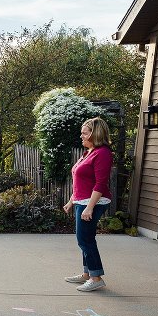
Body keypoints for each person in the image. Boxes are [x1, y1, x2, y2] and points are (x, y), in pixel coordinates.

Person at [63, 117, 113, 292]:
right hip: (82, 201)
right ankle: (87, 273)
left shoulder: (103, 153)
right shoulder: (89, 152)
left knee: (85, 239)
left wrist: (89, 207)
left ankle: (96, 277)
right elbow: (80, 182)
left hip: (94, 202)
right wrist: (71, 201)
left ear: (95, 133)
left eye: (84, 133)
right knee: (83, 238)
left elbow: (100, 184)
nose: (81, 136)